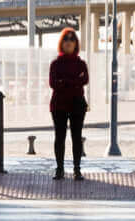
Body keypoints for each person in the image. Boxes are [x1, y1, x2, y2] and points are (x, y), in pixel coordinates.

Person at [48, 28, 88, 181]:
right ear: (61, 43)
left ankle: (77, 170)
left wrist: (64, 81)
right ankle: (60, 170)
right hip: (59, 105)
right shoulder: (55, 64)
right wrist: (74, 81)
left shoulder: (81, 63)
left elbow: (85, 80)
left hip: (77, 104)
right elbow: (53, 84)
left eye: (72, 39)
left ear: (76, 43)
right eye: (66, 39)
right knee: (60, 137)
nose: (69, 42)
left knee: (76, 137)